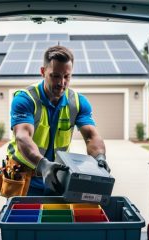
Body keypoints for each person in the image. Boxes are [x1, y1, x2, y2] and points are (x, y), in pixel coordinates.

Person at [6, 45, 110, 196]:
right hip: (24, 179)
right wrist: (43, 165)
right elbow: (22, 137)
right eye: (55, 76)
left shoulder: (78, 103)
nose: (61, 83)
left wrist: (100, 157)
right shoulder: (25, 99)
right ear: (43, 72)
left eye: (66, 76)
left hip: (56, 177)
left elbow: (91, 136)